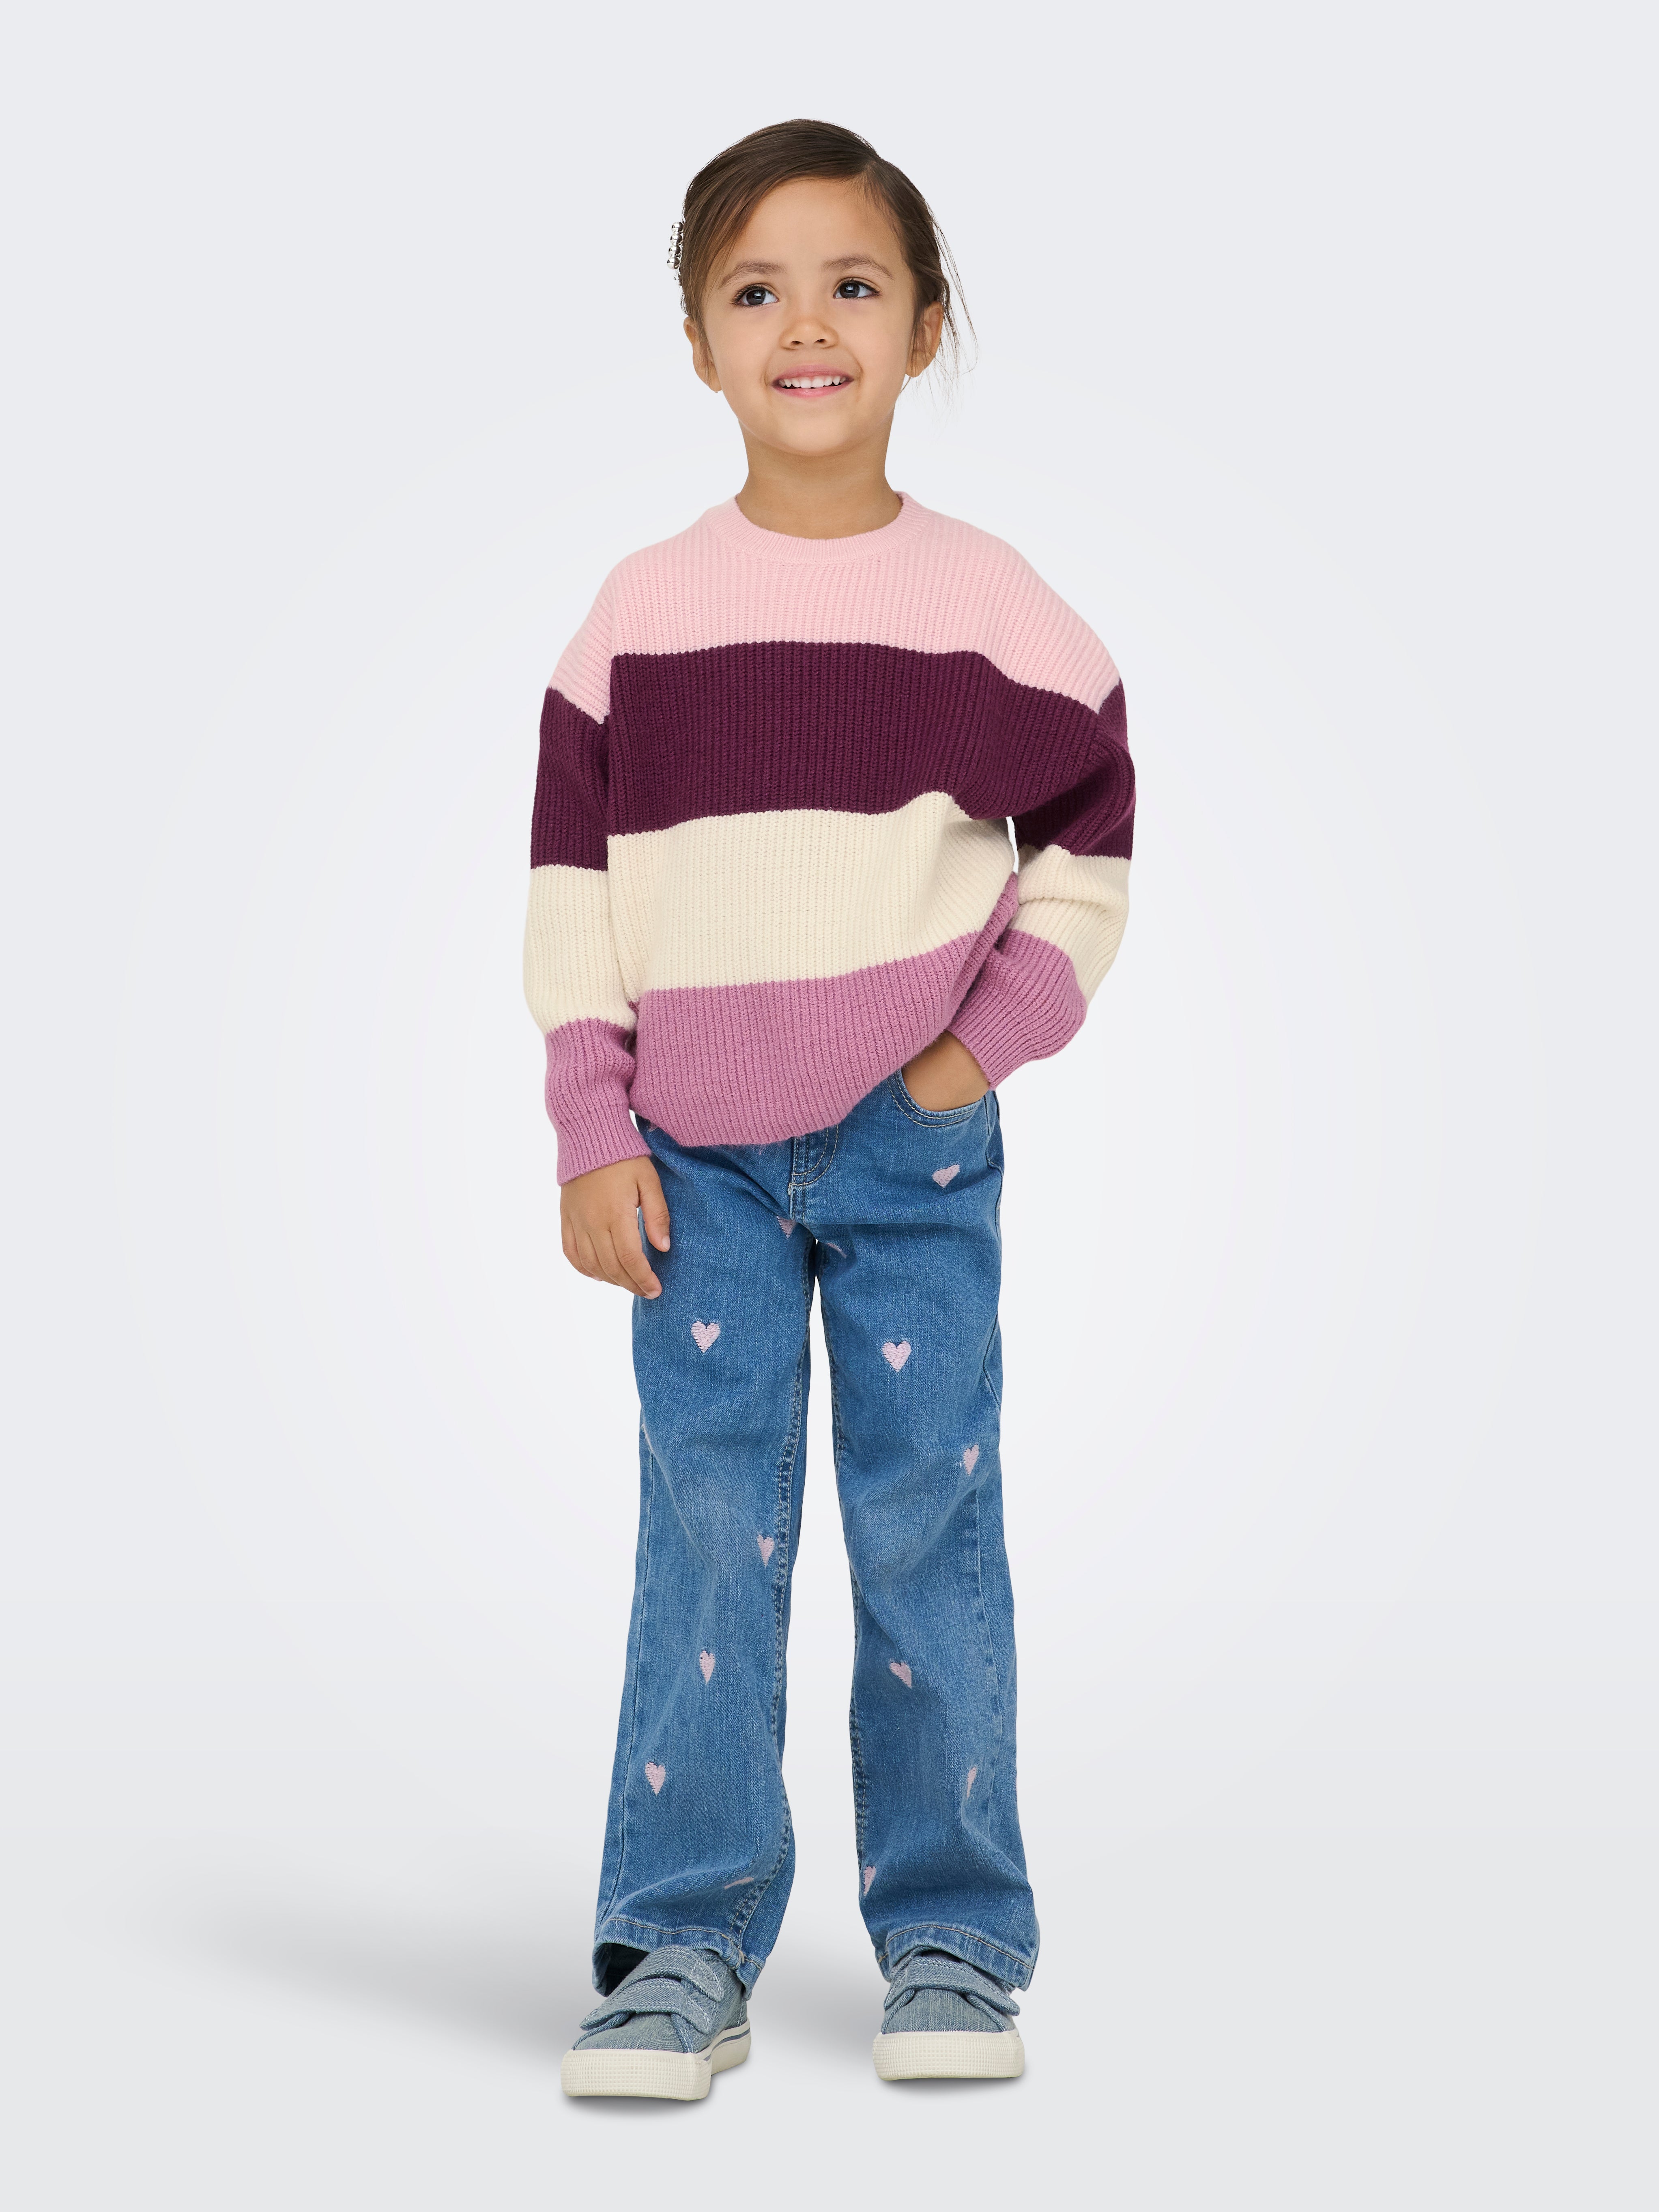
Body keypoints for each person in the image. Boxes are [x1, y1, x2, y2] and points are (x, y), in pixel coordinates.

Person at [526, 119, 1134, 2100]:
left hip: (908, 1142)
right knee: (709, 1529)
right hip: (689, 1154)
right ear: (699, 341)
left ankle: (955, 1934)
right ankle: (677, 1944)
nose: (808, 326)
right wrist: (592, 1123)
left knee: (925, 1513)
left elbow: (1095, 826)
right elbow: (572, 891)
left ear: (926, 326)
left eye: (853, 285)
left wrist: (975, 1047)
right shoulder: (639, 612)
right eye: (757, 290)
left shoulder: (988, 602)